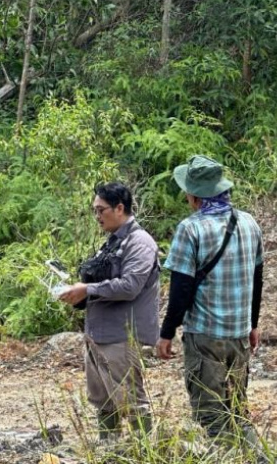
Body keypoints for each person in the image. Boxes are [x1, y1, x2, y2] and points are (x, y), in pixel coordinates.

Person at [156, 155, 264, 448]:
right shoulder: (249, 223)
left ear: (194, 197)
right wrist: (253, 325)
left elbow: (181, 290)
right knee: (238, 411)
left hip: (205, 337)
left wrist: (166, 333)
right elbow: (257, 278)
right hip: (239, 336)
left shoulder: (190, 229)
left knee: (212, 418)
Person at [59, 182, 160, 440]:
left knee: (131, 401)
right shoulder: (112, 242)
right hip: (98, 335)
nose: (97, 216)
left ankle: (143, 455)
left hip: (122, 337)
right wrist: (78, 293)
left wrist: (88, 289)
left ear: (119, 208)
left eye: (101, 210)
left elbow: (130, 286)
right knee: (103, 402)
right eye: (94, 210)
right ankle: (110, 452)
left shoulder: (140, 242)